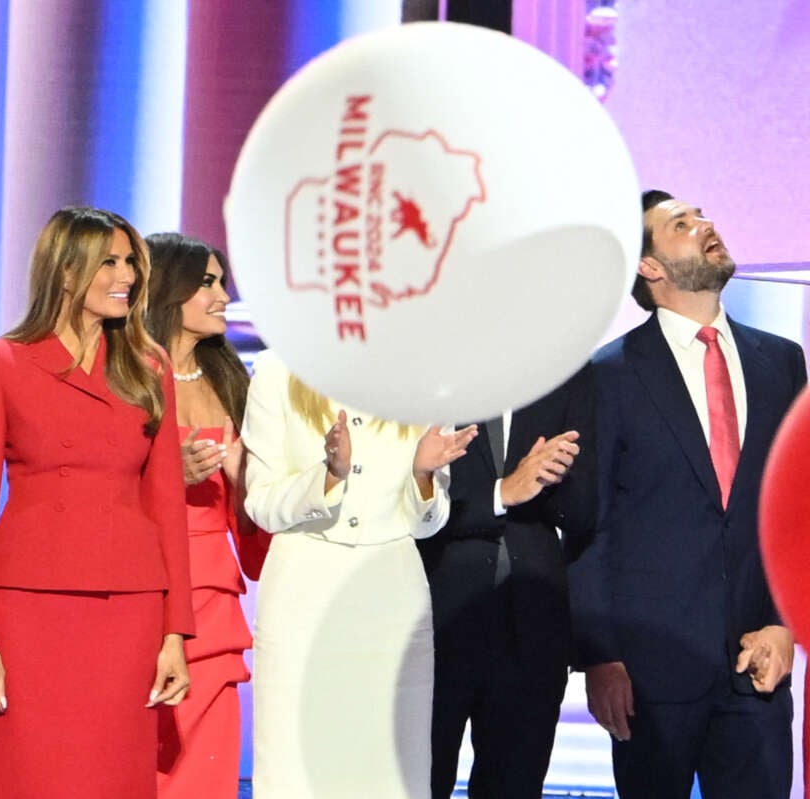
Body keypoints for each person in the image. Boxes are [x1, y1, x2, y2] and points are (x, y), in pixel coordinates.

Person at [569, 190, 806, 798]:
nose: (705, 224)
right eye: (681, 224)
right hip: (650, 680)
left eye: (702, 215)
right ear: (649, 267)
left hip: (757, 671)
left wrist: (785, 625)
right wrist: (600, 657)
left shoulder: (782, 361)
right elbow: (590, 528)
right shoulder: (608, 375)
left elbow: (795, 513)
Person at [0, 207, 194, 798]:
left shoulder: (147, 366)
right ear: (66, 273)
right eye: (109, 263)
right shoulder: (3, 362)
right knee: (27, 773)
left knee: (111, 776)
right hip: (27, 608)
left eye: (130, 263)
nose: (129, 276)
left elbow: (167, 503)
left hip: (128, 607)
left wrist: (175, 634)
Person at [241, 350, 477, 797]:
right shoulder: (277, 371)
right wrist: (329, 475)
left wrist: (424, 475)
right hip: (303, 598)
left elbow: (428, 522)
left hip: (391, 597)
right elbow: (262, 504)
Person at [418, 367, 596, 799]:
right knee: (418, 781)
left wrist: (553, 475)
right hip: (436, 620)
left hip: (533, 625)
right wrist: (503, 493)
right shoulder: (424, 371)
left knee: (515, 783)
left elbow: (584, 513)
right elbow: (404, 501)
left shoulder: (568, 373)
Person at [144, 232, 269, 797]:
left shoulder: (236, 381)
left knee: (208, 759)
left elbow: (251, 510)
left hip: (213, 592)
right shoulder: (126, 374)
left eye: (223, 283)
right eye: (208, 283)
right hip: (140, 584)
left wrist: (248, 483)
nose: (223, 296)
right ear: (170, 289)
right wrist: (171, 477)